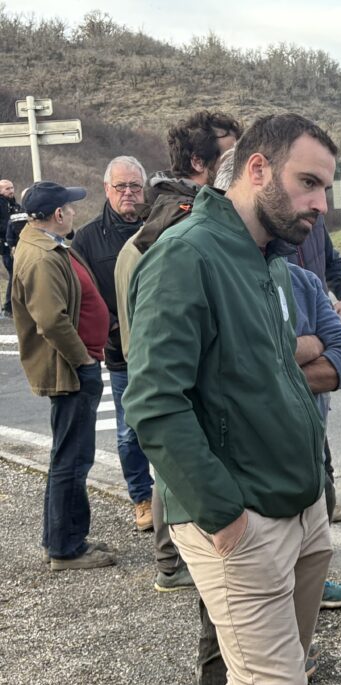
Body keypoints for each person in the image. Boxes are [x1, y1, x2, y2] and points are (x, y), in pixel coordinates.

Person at [123, 113, 341, 685]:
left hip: (298, 507)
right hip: (241, 518)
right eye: (308, 182)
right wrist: (223, 514)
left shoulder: (270, 262)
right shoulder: (187, 255)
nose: (321, 203)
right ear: (257, 169)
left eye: (326, 187)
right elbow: (154, 402)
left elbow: (277, 374)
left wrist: (311, 501)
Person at [115, 110, 241, 592]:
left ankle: (173, 559)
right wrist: (224, 517)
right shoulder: (181, 233)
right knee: (176, 453)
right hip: (198, 397)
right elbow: (158, 394)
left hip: (177, 382)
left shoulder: (158, 226)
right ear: (198, 163)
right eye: (231, 155)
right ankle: (175, 560)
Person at [11, 181, 115, 571]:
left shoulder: (48, 245)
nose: (74, 212)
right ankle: (66, 548)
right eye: (69, 207)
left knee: (69, 457)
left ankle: (63, 539)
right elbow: (52, 321)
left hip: (74, 366)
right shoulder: (41, 256)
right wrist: (83, 360)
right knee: (72, 459)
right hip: (70, 370)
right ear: (58, 214)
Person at [72, 156, 153, 532]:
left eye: (135, 186)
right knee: (129, 430)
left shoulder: (161, 227)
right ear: (107, 190)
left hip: (166, 347)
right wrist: (113, 330)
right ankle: (142, 497)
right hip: (121, 352)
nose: (129, 193)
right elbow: (84, 297)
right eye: (121, 186)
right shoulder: (87, 239)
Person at [286, 214, 341, 526]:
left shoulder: (312, 217)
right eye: (309, 189)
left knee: (318, 439)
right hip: (302, 352)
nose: (321, 205)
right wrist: (316, 342)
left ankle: (322, 500)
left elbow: (331, 258)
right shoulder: (265, 230)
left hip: (318, 347)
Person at [1, 178, 20, 317]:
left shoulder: (15, 205)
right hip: (7, 246)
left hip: (17, 245)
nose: (11, 190)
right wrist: (11, 227)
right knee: (15, 274)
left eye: (12, 187)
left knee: (17, 274)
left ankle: (13, 306)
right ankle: (9, 307)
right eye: (7, 188)